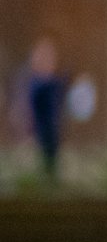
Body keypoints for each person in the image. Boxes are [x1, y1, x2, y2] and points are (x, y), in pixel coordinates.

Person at [18, 38, 70, 182]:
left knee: (51, 162)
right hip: (40, 132)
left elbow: (59, 105)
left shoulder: (53, 83)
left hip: (52, 132)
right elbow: (30, 110)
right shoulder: (36, 85)